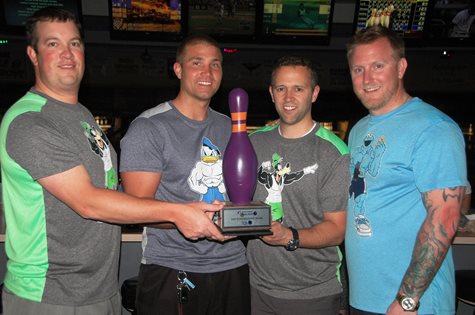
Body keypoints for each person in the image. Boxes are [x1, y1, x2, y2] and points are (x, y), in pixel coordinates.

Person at [0, 7, 226, 315]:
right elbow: (88, 202)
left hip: (100, 288)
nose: (68, 54)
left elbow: (105, 190)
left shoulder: (81, 115)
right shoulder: (29, 121)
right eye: (53, 44)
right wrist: (178, 212)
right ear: (33, 54)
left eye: (75, 43)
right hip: (50, 294)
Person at [119, 34, 250, 315]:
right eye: (197, 63)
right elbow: (135, 209)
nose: (207, 72)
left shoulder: (231, 127)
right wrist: (185, 217)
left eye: (215, 64)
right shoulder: (149, 128)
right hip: (172, 267)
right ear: (178, 70)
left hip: (233, 263)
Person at [345, 25, 467, 314]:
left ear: (400, 67)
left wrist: (407, 300)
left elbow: (446, 216)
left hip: (412, 303)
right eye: (358, 69)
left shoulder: (434, 128)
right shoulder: (360, 128)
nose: (367, 78)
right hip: (365, 297)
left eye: (378, 65)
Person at [246, 55, 350, 315]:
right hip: (256, 287)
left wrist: (288, 237)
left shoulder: (333, 152)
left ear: (314, 93)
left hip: (313, 293)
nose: (288, 97)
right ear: (271, 93)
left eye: (298, 89)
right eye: (281, 88)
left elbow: (337, 231)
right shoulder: (252, 143)